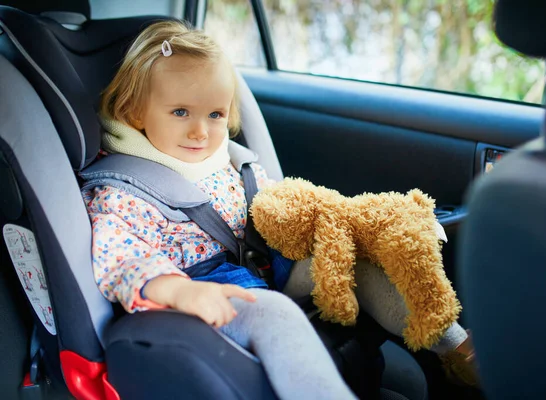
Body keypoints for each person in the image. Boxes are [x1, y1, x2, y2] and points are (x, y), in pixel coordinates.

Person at [82, 20, 476, 400]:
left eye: (215, 115)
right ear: (135, 111)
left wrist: (343, 223)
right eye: (181, 112)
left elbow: (280, 209)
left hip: (268, 266)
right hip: (209, 291)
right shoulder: (122, 190)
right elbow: (119, 258)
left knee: (361, 261)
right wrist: (176, 289)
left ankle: (462, 352)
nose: (201, 131)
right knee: (272, 312)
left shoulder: (229, 160)